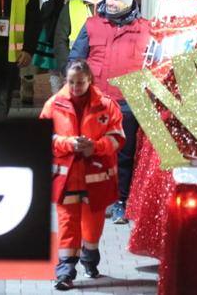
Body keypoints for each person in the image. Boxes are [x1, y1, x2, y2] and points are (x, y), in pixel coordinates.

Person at [69, 0, 152, 225]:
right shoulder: (93, 24)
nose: (112, 2)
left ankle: (120, 202)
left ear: (129, 2)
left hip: (127, 102)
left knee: (123, 155)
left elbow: (153, 63)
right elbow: (76, 56)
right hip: (95, 99)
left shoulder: (145, 29)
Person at [40, 60, 124, 291]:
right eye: (71, 82)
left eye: (80, 82)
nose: (75, 87)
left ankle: (90, 259)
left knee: (92, 228)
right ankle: (65, 272)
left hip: (95, 180)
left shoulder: (107, 106)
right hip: (66, 180)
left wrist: (94, 147)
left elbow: (117, 137)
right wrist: (68, 144)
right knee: (68, 225)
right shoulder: (54, 104)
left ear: (90, 81)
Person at [53, 0, 105, 93]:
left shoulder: (113, 6)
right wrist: (66, 68)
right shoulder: (71, 6)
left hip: (105, 75)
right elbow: (60, 40)